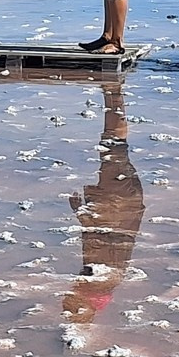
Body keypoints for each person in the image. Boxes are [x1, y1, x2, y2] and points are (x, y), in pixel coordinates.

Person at [63, 78, 145, 330]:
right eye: (69, 294)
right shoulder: (98, 277)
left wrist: (83, 212)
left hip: (123, 204)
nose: (70, 286)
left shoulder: (103, 279)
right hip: (118, 203)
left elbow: (97, 238)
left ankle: (114, 98)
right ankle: (114, 96)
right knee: (114, 146)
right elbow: (97, 238)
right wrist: (82, 213)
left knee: (115, 147)